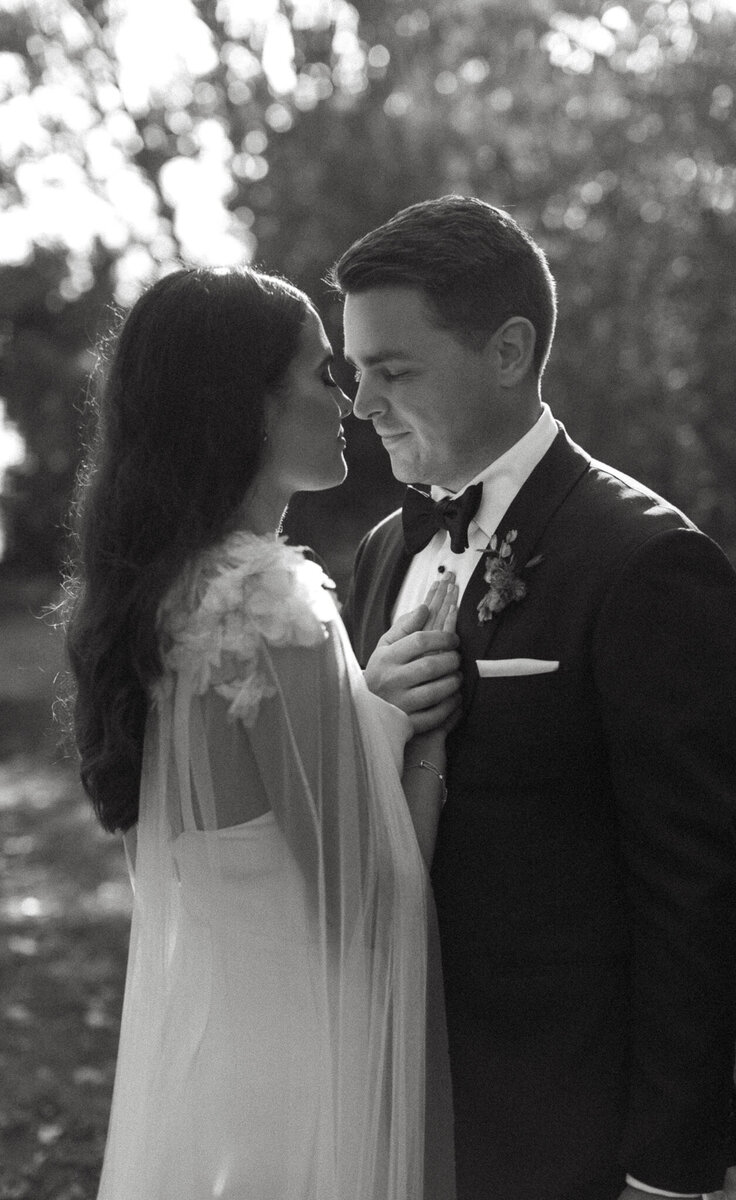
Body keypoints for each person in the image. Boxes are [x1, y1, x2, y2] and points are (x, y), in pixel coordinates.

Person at [331, 195, 736, 1200]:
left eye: (391, 371)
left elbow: (690, 891)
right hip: (383, 1096)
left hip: (559, 1122)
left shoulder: (647, 563)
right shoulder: (378, 555)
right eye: (355, 374)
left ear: (508, 349)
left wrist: (664, 1162)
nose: (361, 406)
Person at [62, 266, 461, 1200]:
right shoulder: (269, 606)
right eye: (324, 374)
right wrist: (427, 747)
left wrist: (372, 711)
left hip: (224, 1084)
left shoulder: (159, 600)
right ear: (243, 403)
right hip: (321, 1078)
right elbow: (374, 902)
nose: (353, 403)